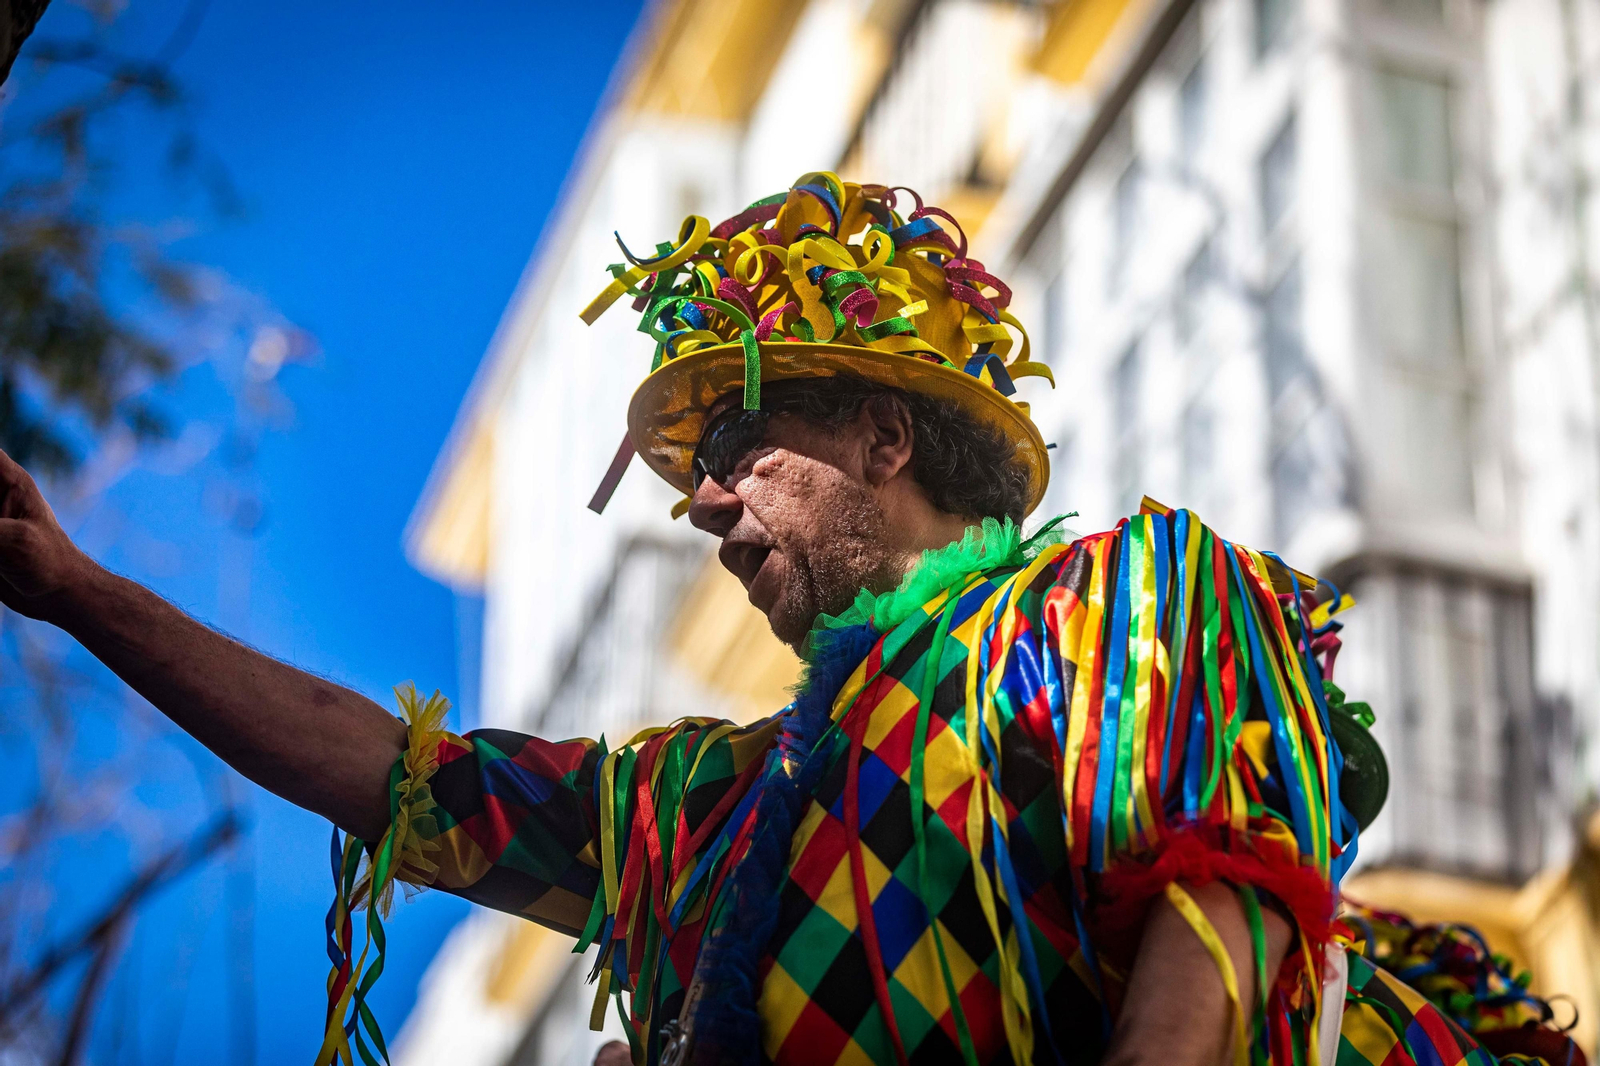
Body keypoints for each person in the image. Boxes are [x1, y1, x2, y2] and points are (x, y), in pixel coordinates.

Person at [0, 173, 1575, 1066]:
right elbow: (408, 777)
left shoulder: (1123, 602)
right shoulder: (701, 811)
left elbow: (1230, 906)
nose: (701, 503)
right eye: (688, 474)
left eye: (740, 451)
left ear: (884, 439)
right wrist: (81, 591)